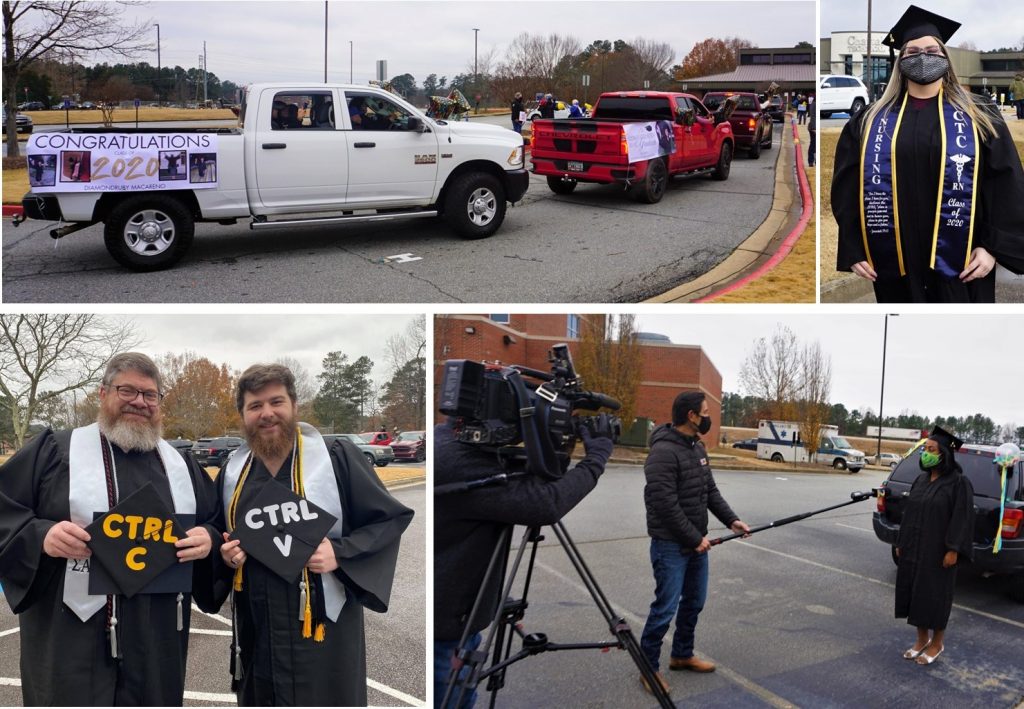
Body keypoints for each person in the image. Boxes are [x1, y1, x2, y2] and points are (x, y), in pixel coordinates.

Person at [0, 352, 222, 705]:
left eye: (150, 395)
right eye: (128, 391)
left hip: (157, 636)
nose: (140, 402)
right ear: (103, 394)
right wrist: (42, 536)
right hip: (71, 636)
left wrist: (208, 540)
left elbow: (216, 522)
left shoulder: (180, 464)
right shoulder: (56, 450)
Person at [212, 363, 413, 706]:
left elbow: (388, 520)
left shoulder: (334, 458)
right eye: (255, 406)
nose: (267, 414)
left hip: (322, 625)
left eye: (276, 402)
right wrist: (224, 552)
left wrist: (340, 552)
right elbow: (218, 530)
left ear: (293, 405)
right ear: (242, 415)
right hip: (257, 625)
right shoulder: (234, 472)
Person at [831, 5, 1024, 303]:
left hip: (963, 262)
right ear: (899, 62)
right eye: (912, 51)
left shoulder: (980, 113)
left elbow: (1005, 184)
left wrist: (992, 248)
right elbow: (846, 188)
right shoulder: (869, 120)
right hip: (895, 259)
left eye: (932, 50)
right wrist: (854, 247)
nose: (923, 57)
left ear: (945, 58)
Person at [434, 415, 615, 708]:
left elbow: (533, 478)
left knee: (463, 693)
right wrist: (597, 456)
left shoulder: (452, 440)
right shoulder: (458, 460)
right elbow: (545, 503)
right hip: (445, 631)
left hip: (458, 617)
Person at [639, 391, 749, 696]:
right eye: (704, 411)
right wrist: (694, 538)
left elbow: (710, 491)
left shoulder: (697, 448)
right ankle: (648, 669)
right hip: (671, 546)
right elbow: (663, 503)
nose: (708, 417)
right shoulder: (663, 452)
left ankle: (681, 655)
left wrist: (732, 520)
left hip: (696, 544)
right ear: (691, 416)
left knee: (694, 602)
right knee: (664, 608)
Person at [894, 426, 974, 665]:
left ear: (944, 455)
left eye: (931, 449)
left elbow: (962, 518)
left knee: (936, 596)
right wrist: (901, 541)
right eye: (924, 449)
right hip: (915, 547)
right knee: (915, 593)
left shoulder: (959, 483)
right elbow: (909, 514)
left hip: (939, 552)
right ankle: (921, 640)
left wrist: (953, 549)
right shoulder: (921, 480)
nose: (926, 454)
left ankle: (937, 643)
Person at [807, 100, 817, 167]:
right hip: (813, 127)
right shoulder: (814, 104)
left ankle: (815, 161)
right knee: (813, 144)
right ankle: (811, 161)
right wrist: (814, 128)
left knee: (815, 145)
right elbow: (812, 116)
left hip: (815, 126)